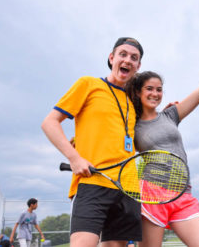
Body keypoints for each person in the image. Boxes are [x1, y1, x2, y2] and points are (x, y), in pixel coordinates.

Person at [126, 34, 199, 247]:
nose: (155, 93)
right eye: (149, 88)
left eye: (159, 89)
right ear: (138, 92)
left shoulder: (170, 115)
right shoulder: (132, 126)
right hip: (152, 194)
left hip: (183, 194)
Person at [41, 37, 144, 247]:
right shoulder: (89, 84)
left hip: (128, 187)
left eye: (134, 58)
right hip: (93, 181)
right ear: (112, 57)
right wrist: (75, 158)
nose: (128, 60)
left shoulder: (134, 101)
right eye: (123, 54)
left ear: (138, 66)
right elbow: (50, 123)